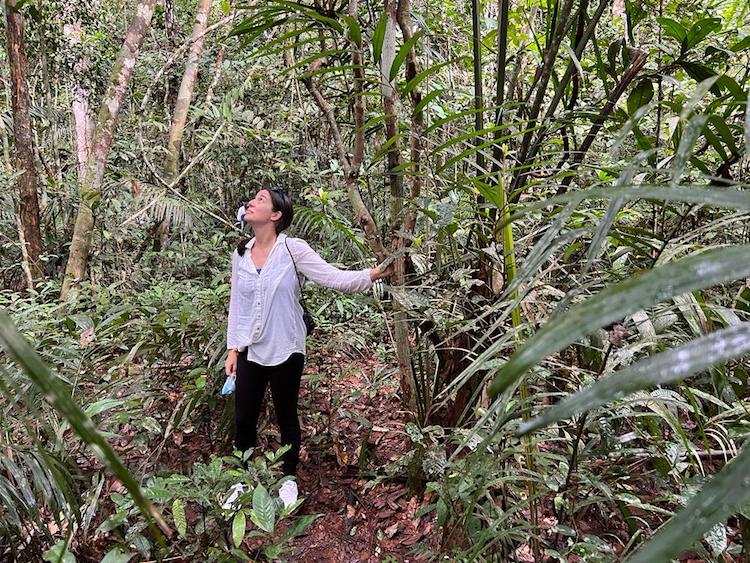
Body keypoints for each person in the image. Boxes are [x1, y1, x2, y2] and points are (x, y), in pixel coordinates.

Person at [224, 186, 392, 484]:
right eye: (254, 198)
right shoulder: (242, 254)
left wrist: (372, 274)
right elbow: (237, 303)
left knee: (286, 415)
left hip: (286, 347)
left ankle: (288, 479)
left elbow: (333, 277)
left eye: (260, 200)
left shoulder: (293, 249)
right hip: (250, 347)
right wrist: (232, 348)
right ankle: (241, 480)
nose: (251, 202)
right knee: (243, 419)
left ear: (275, 215)